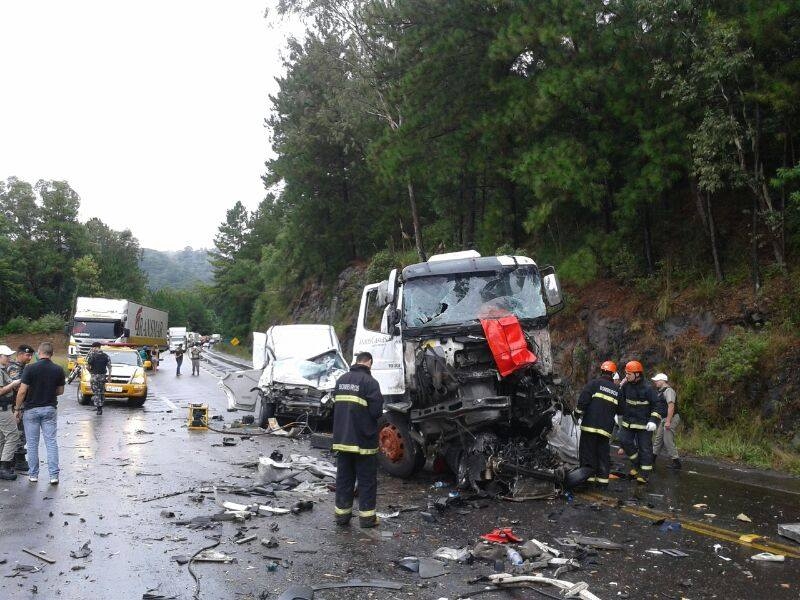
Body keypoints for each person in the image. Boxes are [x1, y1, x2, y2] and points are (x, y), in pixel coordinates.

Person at [332, 351, 384, 528]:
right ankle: (367, 519)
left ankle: (342, 517)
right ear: (369, 362)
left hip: (342, 440)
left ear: (357, 361)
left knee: (344, 479)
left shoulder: (341, 380)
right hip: (363, 442)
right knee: (367, 481)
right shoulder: (371, 383)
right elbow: (376, 413)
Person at [14, 342, 65, 484]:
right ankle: (54, 476)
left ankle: (33, 474)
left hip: (31, 410)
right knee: (51, 443)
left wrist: (17, 409)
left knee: (32, 444)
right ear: (52, 354)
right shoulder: (58, 369)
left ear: (39, 352)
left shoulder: (30, 368)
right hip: (49, 409)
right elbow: (60, 391)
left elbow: (22, 391)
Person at [617, 360, 666, 484]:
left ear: (637, 374)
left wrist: (654, 420)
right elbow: (619, 400)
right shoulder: (626, 385)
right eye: (626, 373)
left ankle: (644, 474)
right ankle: (636, 463)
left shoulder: (648, 388)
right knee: (623, 441)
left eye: (629, 374)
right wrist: (620, 387)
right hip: (628, 423)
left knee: (645, 449)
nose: (626, 376)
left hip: (644, 425)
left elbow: (658, 405)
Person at [575, 360, 620, 487]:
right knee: (603, 454)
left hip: (590, 426)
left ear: (601, 371)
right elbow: (621, 410)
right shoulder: (617, 390)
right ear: (613, 374)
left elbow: (583, 400)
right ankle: (603, 481)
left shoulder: (594, 384)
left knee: (587, 452)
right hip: (605, 429)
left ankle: (587, 479)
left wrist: (577, 413)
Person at [8, 344, 35, 472]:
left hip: (22, 404)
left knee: (20, 432)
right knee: (18, 432)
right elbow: (18, 387)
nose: (29, 357)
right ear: (19, 354)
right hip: (15, 404)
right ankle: (17, 459)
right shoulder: (14, 368)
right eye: (27, 355)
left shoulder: (25, 367)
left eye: (31, 355)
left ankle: (16, 458)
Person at [0, 345, 22, 480]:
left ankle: (2, 466)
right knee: (13, 436)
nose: (9, 358)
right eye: (6, 356)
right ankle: (5, 467)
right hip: (3, 410)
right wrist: (14, 384)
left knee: (2, 438)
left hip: (4, 408)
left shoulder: (3, 370)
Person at [651, 373, 681, 469]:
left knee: (667, 440)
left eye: (656, 380)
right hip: (664, 418)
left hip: (671, 418)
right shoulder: (661, 391)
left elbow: (671, 406)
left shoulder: (669, 391)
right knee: (658, 439)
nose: (655, 382)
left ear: (662, 381)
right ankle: (651, 460)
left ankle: (677, 463)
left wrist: (668, 421)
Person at [86, 342, 111, 415]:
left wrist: (91, 372)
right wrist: (109, 376)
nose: (92, 349)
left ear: (96, 347)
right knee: (102, 391)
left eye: (93, 347)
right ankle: (100, 405)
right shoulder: (106, 356)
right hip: (103, 376)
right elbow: (109, 367)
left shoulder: (92, 355)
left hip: (95, 377)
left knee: (96, 392)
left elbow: (87, 366)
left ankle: (99, 408)